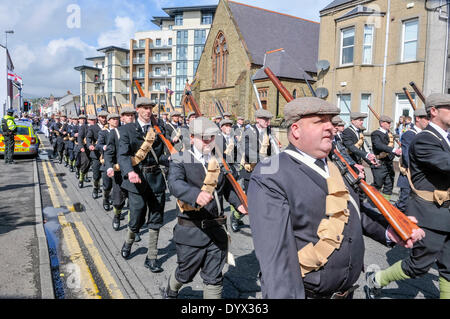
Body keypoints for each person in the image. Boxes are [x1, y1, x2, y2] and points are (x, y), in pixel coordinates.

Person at [247, 97, 424, 299]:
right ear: (296, 130)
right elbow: (276, 257)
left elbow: (352, 209)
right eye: (319, 121)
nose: (330, 127)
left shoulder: (334, 165)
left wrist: (389, 229)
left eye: (330, 121)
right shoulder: (272, 173)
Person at [366, 93, 450, 299]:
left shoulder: (445, 138)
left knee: (449, 265)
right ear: (434, 111)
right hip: (428, 212)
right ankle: (376, 280)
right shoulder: (424, 139)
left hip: (446, 212)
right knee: (418, 265)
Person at [164, 117, 247, 299]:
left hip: (217, 228)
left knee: (214, 277)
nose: (209, 141)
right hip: (191, 229)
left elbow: (226, 186)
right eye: (205, 137)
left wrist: (238, 203)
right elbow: (175, 184)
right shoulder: (180, 158)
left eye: (212, 137)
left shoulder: (219, 159)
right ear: (192, 138)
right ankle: (171, 289)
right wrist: (195, 195)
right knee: (185, 273)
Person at [118, 97, 170, 273]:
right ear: (137, 109)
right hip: (137, 179)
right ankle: (129, 241)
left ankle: (152, 256)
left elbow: (165, 152)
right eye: (144, 108)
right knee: (137, 216)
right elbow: (123, 155)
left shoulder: (159, 128)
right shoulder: (127, 130)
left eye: (150, 108)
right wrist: (129, 172)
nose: (148, 111)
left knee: (156, 217)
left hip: (155, 177)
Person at [236, 109, 273, 232]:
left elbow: (268, 150)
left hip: (263, 170)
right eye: (265, 119)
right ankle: (236, 217)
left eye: (269, 120)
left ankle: (260, 223)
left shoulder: (268, 131)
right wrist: (262, 159)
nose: (268, 122)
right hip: (250, 170)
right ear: (257, 119)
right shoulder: (249, 132)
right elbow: (246, 151)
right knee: (249, 200)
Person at [105, 107, 135, 231]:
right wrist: (109, 167)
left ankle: (132, 227)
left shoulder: (139, 131)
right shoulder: (115, 132)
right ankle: (117, 215)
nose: (130, 117)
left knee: (134, 202)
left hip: (135, 171)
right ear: (122, 117)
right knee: (118, 200)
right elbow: (109, 153)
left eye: (131, 115)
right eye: (126, 115)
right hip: (120, 171)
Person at [394, 109, 429, 212]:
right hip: (410, 176)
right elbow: (407, 156)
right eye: (426, 118)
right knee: (403, 204)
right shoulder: (410, 134)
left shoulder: (426, 135)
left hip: (421, 178)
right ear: (418, 119)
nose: (429, 121)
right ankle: (387, 224)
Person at [370, 115, 402, 201]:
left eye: (390, 123)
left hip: (389, 163)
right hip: (379, 163)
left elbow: (392, 149)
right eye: (387, 123)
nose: (389, 124)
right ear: (381, 123)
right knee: (378, 184)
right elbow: (378, 145)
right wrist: (394, 150)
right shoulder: (375, 134)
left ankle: (385, 203)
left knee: (389, 184)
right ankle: (371, 202)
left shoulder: (390, 134)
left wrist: (398, 152)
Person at [86, 111, 108, 199]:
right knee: (96, 175)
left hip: (107, 154)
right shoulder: (93, 127)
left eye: (105, 117)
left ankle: (106, 196)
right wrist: (89, 145)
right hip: (96, 154)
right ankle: (95, 188)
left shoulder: (110, 127)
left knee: (107, 177)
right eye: (102, 117)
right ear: (98, 117)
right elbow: (88, 138)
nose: (104, 119)